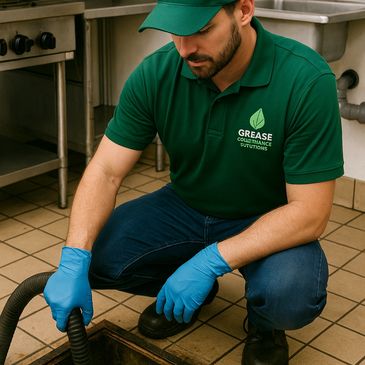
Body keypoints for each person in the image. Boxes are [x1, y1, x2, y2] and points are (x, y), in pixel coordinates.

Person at [44, 0, 344, 364]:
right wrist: (74, 258)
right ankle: (186, 295)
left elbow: (311, 213)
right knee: (96, 256)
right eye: (177, 31)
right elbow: (106, 170)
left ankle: (265, 324)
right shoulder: (157, 73)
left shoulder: (304, 79)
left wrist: (209, 261)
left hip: (266, 214)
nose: (186, 48)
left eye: (201, 30)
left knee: (291, 296)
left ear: (244, 11)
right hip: (184, 206)